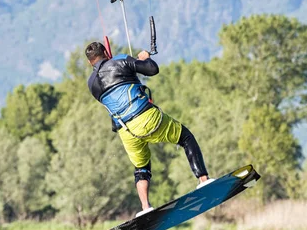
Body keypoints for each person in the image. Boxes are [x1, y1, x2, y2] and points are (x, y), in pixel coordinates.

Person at [85, 42, 214, 216]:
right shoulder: (120, 60)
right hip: (145, 117)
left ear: (89, 62)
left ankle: (145, 208)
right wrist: (144, 58)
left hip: (126, 131)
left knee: (141, 167)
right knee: (185, 137)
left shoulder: (91, 83)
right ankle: (203, 180)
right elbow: (152, 70)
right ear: (107, 52)